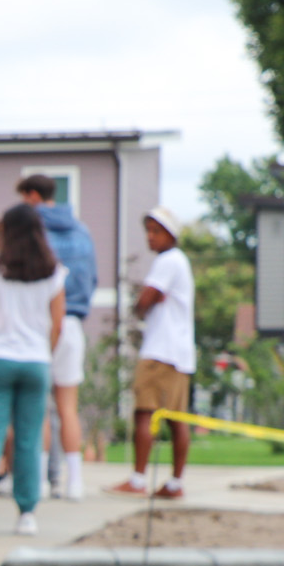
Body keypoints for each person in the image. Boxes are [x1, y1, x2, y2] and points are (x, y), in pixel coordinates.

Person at [0, 204, 66, 537]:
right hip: (35, 360)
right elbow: (58, 324)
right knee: (28, 437)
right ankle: (26, 512)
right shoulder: (52, 271)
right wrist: (45, 352)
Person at [17, 174, 97, 500]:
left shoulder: (33, 230)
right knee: (68, 407)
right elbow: (92, 278)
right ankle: (74, 481)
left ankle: (38, 480)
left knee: (38, 406)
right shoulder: (82, 230)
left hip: (41, 322)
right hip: (74, 321)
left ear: (33, 196)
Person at [109, 207, 196, 499]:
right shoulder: (180, 262)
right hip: (180, 353)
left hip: (160, 350)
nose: (150, 237)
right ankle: (175, 484)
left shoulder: (167, 261)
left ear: (171, 235)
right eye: (148, 231)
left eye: (156, 231)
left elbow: (145, 300)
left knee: (144, 413)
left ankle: (137, 479)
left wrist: (140, 305)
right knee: (177, 418)